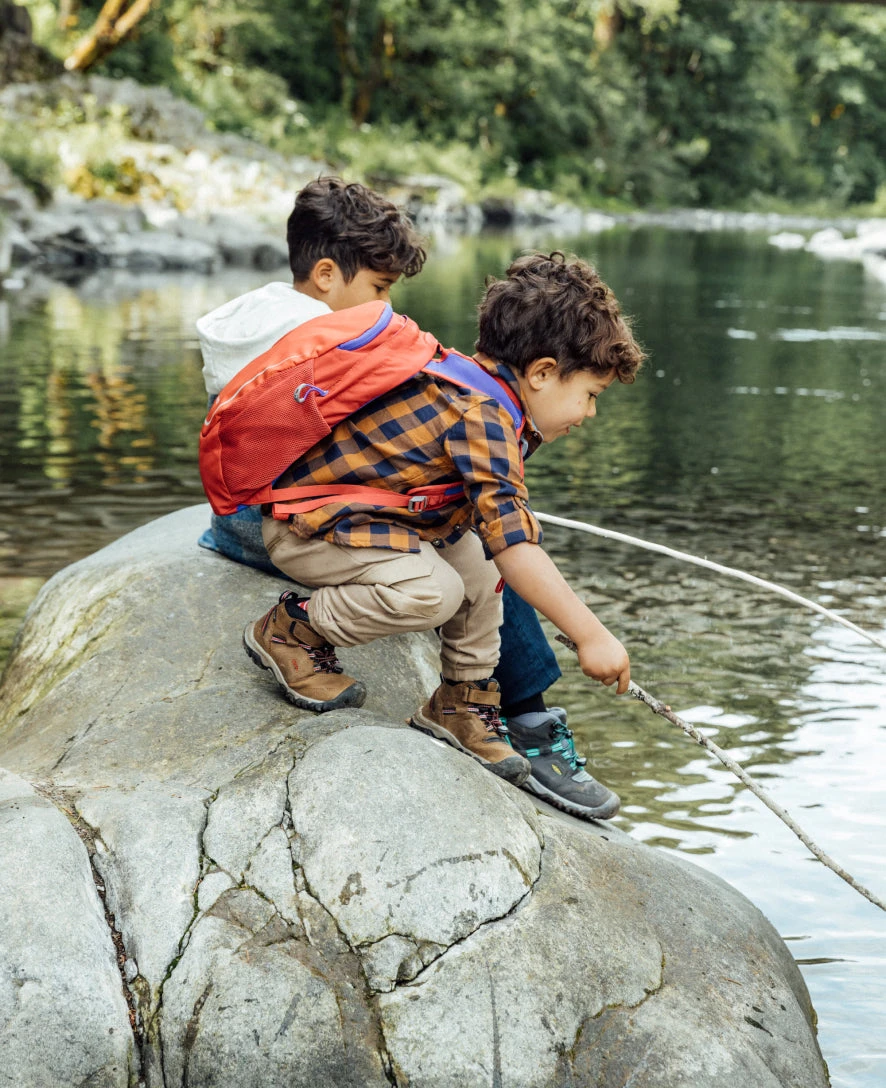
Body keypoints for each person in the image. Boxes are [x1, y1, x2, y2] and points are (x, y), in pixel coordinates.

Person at [227, 245, 644, 816]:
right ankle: (293, 631)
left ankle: (461, 701)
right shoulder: (484, 414)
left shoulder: (482, 393)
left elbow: (497, 545)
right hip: (313, 530)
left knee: (480, 570)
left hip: (376, 527)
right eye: (590, 395)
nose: (590, 414)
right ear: (543, 373)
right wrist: (591, 635)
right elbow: (517, 546)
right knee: (435, 591)